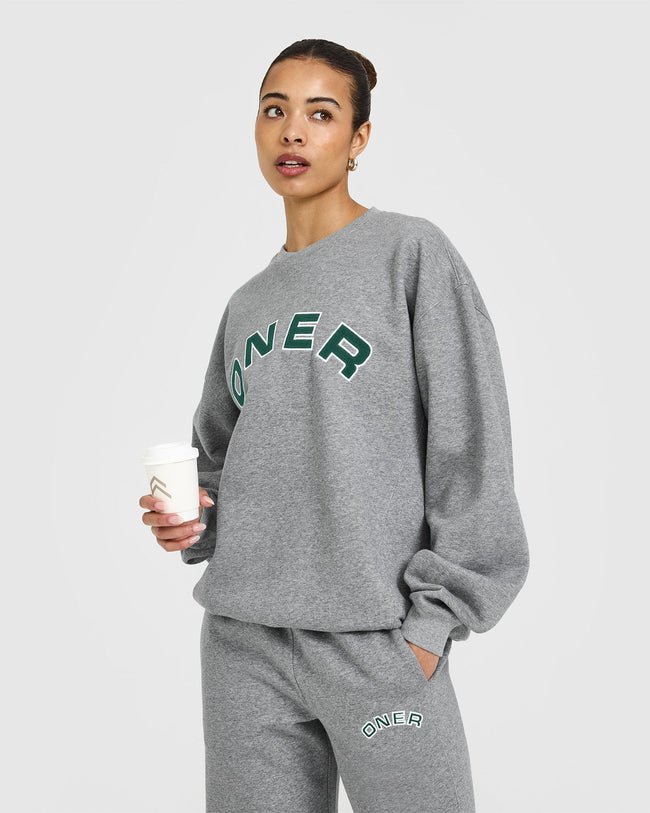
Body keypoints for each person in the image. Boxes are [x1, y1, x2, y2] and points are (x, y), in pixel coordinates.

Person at [139, 38, 529, 813]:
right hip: (244, 646)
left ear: (359, 139)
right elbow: (220, 459)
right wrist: (191, 518)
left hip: (376, 640)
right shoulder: (248, 302)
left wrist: (429, 627)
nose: (292, 130)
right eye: (274, 110)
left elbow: (470, 444)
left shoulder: (410, 254)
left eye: (321, 114)